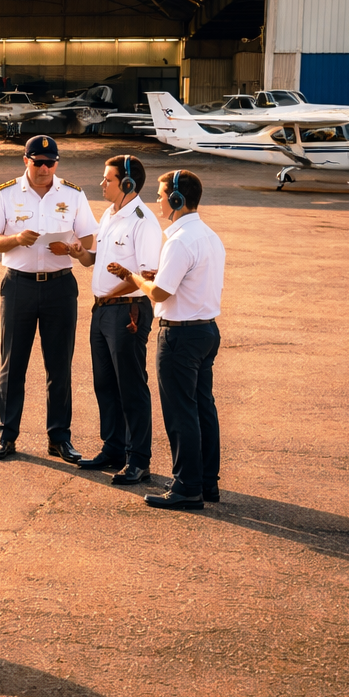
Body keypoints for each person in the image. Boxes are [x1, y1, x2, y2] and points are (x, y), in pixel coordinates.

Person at [106, 169, 226, 510]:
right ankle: (206, 483)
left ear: (177, 200)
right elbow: (189, 279)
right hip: (205, 330)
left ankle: (186, 487)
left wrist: (132, 278)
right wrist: (158, 276)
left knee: (180, 413)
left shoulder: (178, 240)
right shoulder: (207, 235)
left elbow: (158, 294)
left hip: (180, 336)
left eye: (161, 195)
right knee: (203, 408)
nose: (158, 200)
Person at [0, 135, 98, 462]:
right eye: (38, 162)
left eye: (50, 162)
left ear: (57, 162)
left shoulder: (72, 194)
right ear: (25, 160)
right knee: (13, 363)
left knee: (59, 365)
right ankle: (5, 435)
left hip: (60, 286)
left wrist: (77, 250)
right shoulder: (5, 193)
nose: (44, 168)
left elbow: (89, 237)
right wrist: (16, 239)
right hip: (20, 286)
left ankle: (59, 438)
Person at [65, 155, 163, 484]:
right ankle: (114, 448)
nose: (102, 184)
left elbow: (146, 275)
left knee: (131, 387)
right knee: (105, 384)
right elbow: (98, 260)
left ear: (127, 183)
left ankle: (139, 460)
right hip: (102, 310)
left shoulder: (143, 221)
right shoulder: (109, 214)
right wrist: (81, 254)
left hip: (127, 312)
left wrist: (110, 296)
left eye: (107, 180)